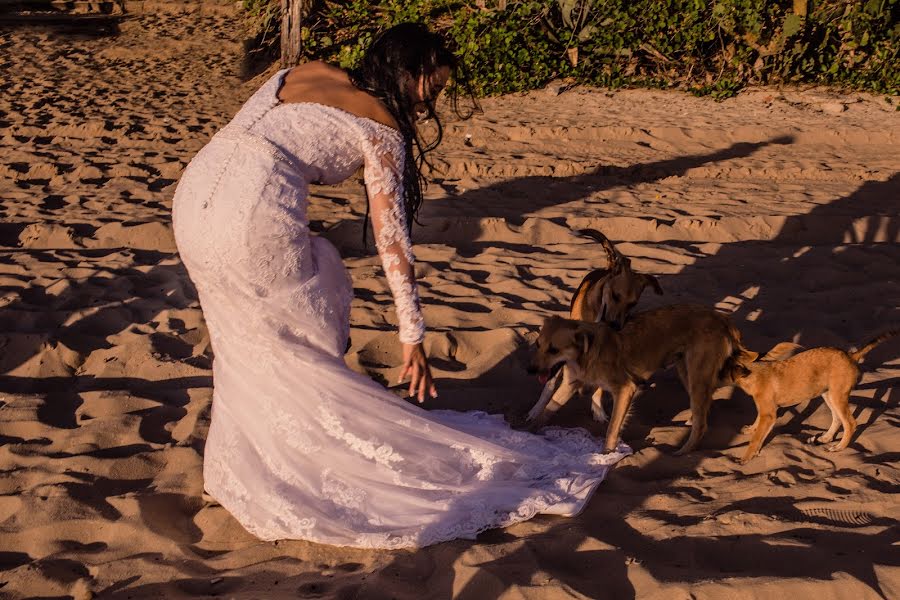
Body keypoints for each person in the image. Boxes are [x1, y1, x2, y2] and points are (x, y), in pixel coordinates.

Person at [172, 22, 628, 549]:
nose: (429, 101)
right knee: (291, 337)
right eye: (432, 87)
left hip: (195, 194)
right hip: (252, 210)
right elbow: (392, 244)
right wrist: (412, 335)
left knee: (245, 337)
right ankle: (310, 460)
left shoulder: (299, 71)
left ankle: (252, 465)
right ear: (412, 76)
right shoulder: (381, 123)